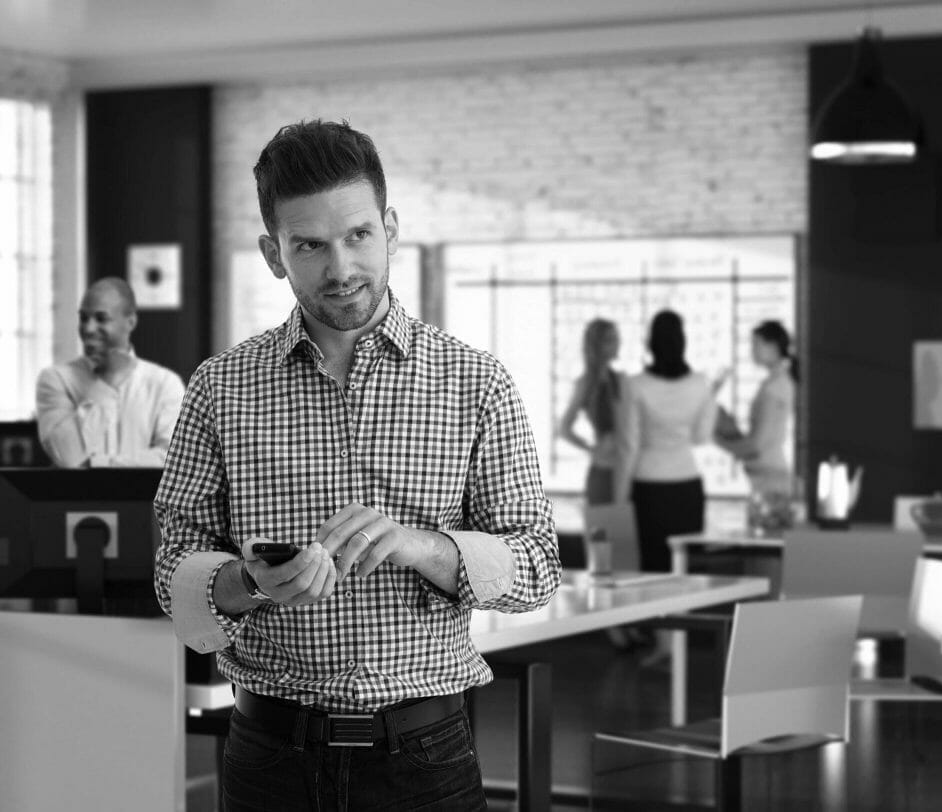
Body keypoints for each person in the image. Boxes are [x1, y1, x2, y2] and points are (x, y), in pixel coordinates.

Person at [153, 119, 561, 811]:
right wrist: (249, 583)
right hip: (267, 758)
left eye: (358, 236)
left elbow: (538, 567)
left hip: (426, 760)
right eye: (309, 245)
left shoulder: (476, 382)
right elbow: (173, 574)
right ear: (273, 253)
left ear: (391, 229)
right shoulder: (219, 387)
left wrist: (422, 547)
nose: (340, 269)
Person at [615, 310, 717, 665]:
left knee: (655, 568)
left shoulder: (635, 385)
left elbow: (628, 445)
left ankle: (664, 645)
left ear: (650, 342)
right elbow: (702, 436)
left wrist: (618, 498)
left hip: (649, 484)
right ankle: (677, 647)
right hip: (688, 484)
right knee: (682, 567)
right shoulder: (701, 383)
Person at [35, 276, 185, 468]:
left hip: (145, 499)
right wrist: (107, 380)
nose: (88, 329)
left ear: (130, 322)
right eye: (83, 318)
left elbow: (176, 460)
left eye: (101, 318)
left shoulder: (165, 384)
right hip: (75, 499)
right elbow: (66, 458)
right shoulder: (56, 380)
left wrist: (98, 463)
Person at [714, 320, 797, 495]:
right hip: (765, 479)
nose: (751, 351)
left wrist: (717, 439)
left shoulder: (776, 387)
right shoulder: (773, 384)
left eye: (756, 344)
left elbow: (756, 446)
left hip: (771, 482)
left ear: (773, 346)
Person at [558, 318, 625, 505]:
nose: (617, 343)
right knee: (603, 532)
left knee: (628, 533)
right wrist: (591, 448)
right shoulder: (586, 383)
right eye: (610, 339)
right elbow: (564, 428)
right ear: (597, 345)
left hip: (628, 471)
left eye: (617, 338)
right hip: (603, 471)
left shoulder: (620, 380)